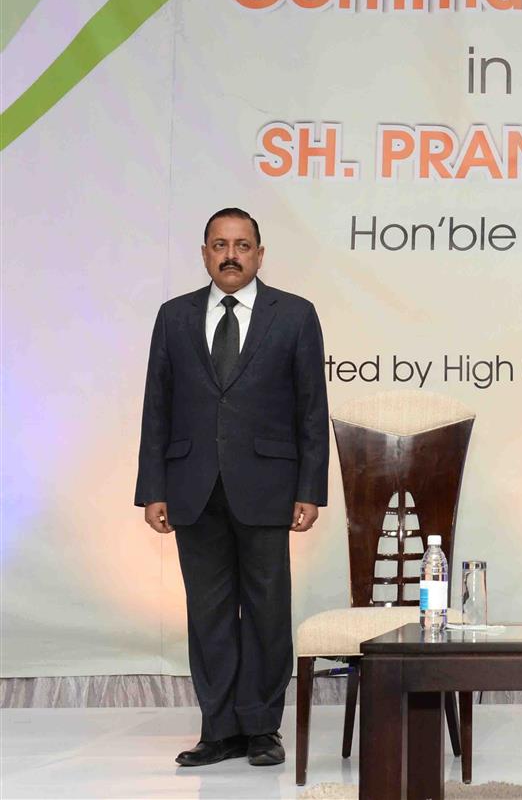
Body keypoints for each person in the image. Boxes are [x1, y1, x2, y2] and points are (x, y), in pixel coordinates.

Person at [134, 208, 329, 768]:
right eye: (220, 244)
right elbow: (156, 409)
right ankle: (219, 729)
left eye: (242, 245)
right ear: (203, 253)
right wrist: (153, 489)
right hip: (192, 486)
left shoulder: (293, 315)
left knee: (268, 609)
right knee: (209, 611)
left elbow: (311, 410)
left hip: (268, 485)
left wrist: (309, 489)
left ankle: (263, 727)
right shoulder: (174, 317)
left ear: (260, 254)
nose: (231, 254)